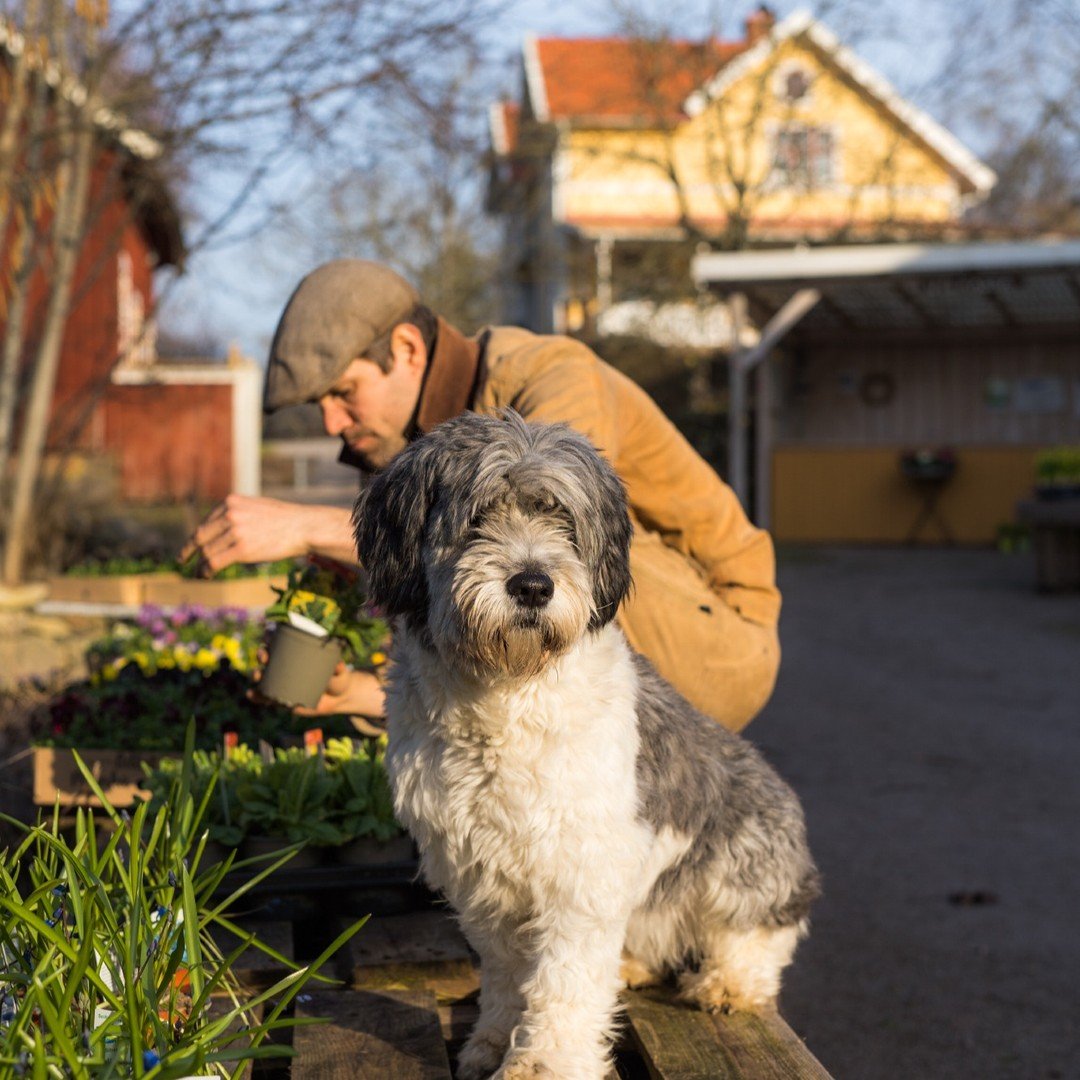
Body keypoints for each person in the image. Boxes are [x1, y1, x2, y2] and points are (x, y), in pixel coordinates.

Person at [183, 259, 781, 732]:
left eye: (344, 393)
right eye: (321, 407)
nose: (332, 424)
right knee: (455, 566)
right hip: (613, 640)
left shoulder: (552, 373)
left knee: (547, 547)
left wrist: (307, 527)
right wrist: (360, 691)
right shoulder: (415, 453)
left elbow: (556, 536)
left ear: (409, 351)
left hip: (720, 632)